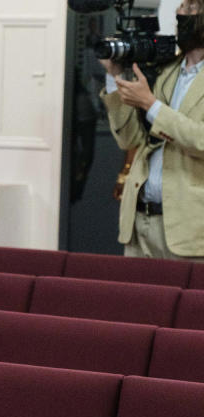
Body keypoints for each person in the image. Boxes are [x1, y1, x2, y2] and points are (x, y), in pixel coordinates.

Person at [101, 0, 204, 259]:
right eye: (182, 7)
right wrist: (115, 79)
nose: (181, 13)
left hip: (189, 231)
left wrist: (150, 104)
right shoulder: (166, 70)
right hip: (139, 224)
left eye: (191, 9)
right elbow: (130, 139)